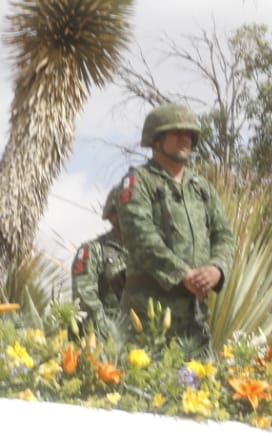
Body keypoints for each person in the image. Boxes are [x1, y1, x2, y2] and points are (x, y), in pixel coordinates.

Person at [118, 102, 235, 343]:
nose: (185, 139)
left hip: (195, 315)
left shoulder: (202, 188)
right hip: (148, 316)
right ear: (156, 139)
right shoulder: (139, 182)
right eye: (177, 132)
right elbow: (140, 236)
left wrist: (216, 268)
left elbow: (224, 235)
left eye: (189, 134)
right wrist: (183, 274)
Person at [71, 187, 128, 338]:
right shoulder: (93, 251)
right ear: (112, 216)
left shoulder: (150, 252)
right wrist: (109, 335)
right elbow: (84, 297)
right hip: (104, 339)